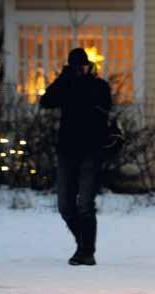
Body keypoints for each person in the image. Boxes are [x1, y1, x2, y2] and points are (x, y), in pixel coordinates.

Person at [40, 48, 112, 266]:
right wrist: (64, 79)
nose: (79, 70)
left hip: (91, 149)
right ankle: (83, 245)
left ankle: (86, 251)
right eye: (76, 66)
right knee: (65, 205)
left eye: (82, 66)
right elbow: (46, 101)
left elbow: (105, 105)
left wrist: (82, 81)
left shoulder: (98, 86)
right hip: (67, 151)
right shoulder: (65, 84)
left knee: (86, 203)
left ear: (88, 66)